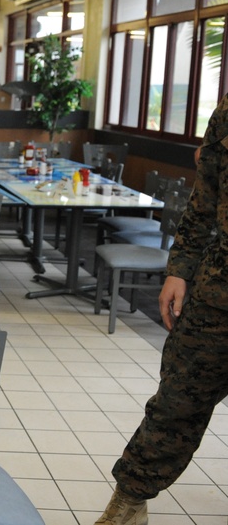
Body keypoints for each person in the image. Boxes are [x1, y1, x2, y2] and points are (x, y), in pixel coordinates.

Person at [95, 98, 228, 524]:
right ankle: (129, 501)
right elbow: (204, 197)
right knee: (176, 402)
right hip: (218, 292)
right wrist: (180, 269)